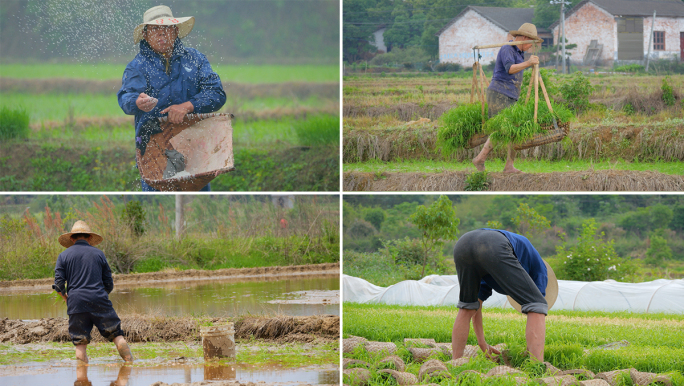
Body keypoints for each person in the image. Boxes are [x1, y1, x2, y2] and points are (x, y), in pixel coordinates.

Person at [118, 5, 226, 191]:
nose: (162, 34)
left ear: (175, 31)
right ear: (145, 34)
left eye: (167, 28)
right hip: (154, 149)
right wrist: (138, 102)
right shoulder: (137, 67)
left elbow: (216, 94)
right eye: (155, 29)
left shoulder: (195, 60)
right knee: (157, 198)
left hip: (194, 149)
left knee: (195, 203)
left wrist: (188, 106)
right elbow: (126, 99)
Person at [451, 228, 550, 362]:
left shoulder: (495, 267)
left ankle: (455, 362)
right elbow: (536, 307)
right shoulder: (540, 269)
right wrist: (532, 348)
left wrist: (482, 342)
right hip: (494, 245)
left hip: (463, 244)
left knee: (466, 307)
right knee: (538, 306)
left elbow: (476, 304)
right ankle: (536, 366)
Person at [53, 221, 133, 364]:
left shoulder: (63, 256)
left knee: (80, 342)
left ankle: (82, 379)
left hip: (76, 302)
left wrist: (66, 298)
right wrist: (100, 296)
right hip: (99, 298)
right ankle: (129, 365)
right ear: (89, 238)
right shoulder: (99, 254)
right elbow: (108, 283)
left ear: (72, 238)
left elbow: (58, 285)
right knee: (117, 335)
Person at [472, 23, 541, 174]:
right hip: (499, 93)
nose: (531, 47)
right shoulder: (507, 49)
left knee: (514, 131)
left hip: (511, 95)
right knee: (500, 129)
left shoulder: (519, 53)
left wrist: (528, 63)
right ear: (523, 38)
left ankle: (509, 166)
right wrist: (528, 63)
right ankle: (480, 159)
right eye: (531, 42)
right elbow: (510, 69)